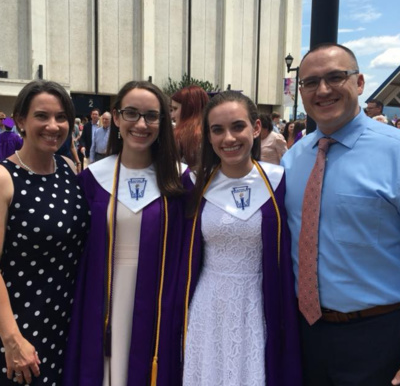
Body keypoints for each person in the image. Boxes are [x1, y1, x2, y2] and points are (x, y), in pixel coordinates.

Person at [281, 43, 400, 386]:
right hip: (305, 336)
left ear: (360, 82)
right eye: (310, 82)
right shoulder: (293, 159)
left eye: (336, 77)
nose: (322, 90)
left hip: (379, 336)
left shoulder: (394, 152)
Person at [64, 81, 186, 386]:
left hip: (158, 298)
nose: (141, 124)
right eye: (131, 113)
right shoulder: (92, 180)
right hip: (102, 294)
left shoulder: (181, 179)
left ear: (163, 122)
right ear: (116, 118)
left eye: (151, 116)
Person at [181, 91, 302, 385]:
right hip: (209, 304)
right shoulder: (193, 184)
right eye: (217, 130)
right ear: (208, 137)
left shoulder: (278, 181)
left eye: (238, 126)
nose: (228, 138)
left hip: (258, 302)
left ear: (256, 128)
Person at [0, 80, 90, 385]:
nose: (53, 126)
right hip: (19, 330)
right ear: (21, 120)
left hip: (65, 325)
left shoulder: (68, 168)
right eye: (42, 116)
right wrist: (12, 339)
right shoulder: (4, 178)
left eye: (61, 117)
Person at [171, 85, 209, 169]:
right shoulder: (213, 134)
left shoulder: (178, 136)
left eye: (175, 109)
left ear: (189, 108)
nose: (172, 115)